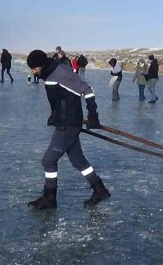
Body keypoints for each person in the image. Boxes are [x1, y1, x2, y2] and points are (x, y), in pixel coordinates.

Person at [25, 50, 110, 209]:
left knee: (48, 161)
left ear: (41, 65)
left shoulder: (60, 72)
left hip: (68, 125)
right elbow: (61, 98)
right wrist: (54, 114)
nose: (32, 71)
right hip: (65, 121)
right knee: (78, 160)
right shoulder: (50, 73)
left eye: (34, 68)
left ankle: (49, 197)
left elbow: (87, 89)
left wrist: (93, 114)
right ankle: (100, 190)